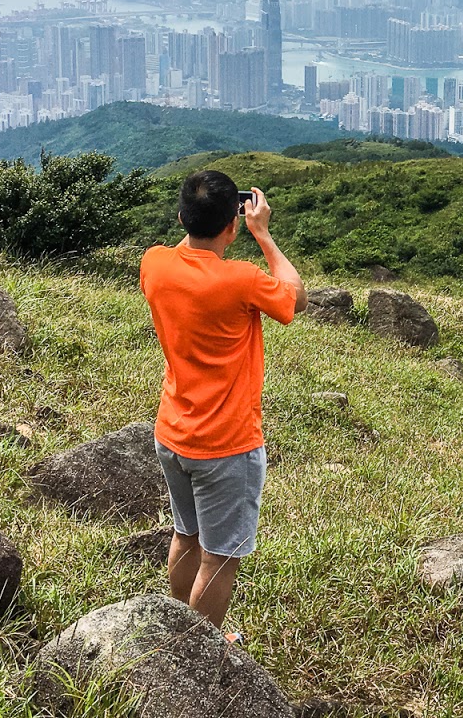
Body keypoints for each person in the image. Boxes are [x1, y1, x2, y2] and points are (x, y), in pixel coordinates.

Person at [139, 169, 307, 631]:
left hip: (172, 434)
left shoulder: (153, 263)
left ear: (180, 217)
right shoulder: (242, 280)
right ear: (232, 226)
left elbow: (185, 256)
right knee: (220, 558)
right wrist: (264, 235)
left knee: (186, 535)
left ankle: (178, 630)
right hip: (226, 445)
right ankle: (201, 650)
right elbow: (296, 299)